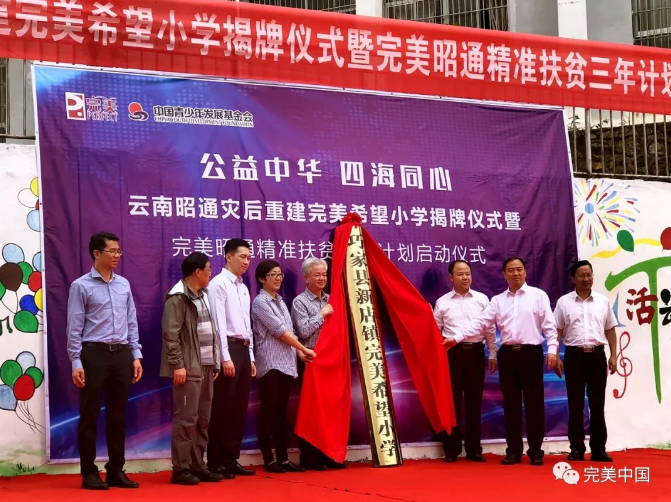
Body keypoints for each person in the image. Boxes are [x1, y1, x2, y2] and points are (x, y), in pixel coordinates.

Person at [444, 257, 558, 466]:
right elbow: (481, 323)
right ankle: (513, 451)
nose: (516, 273)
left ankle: (535, 451)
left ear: (525, 272)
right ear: (504, 275)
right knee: (510, 406)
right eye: (511, 270)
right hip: (508, 356)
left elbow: (550, 326)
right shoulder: (497, 301)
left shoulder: (538, 295)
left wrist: (552, 350)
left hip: (531, 354)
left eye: (519, 269)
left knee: (534, 405)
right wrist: (457, 338)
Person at [66, 232, 143, 490]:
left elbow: (132, 321)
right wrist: (76, 361)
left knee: (118, 416)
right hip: (93, 354)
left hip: (121, 354)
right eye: (112, 251)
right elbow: (74, 326)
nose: (117, 256)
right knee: (89, 415)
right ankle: (89, 472)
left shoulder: (124, 284)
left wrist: (136, 354)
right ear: (96, 253)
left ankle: (115, 471)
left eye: (119, 251)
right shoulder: (81, 286)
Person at [160, 252, 225, 485]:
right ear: (198, 272)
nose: (210, 273)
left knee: (202, 419)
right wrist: (178, 365)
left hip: (206, 366)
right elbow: (171, 335)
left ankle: (198, 465)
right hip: (188, 368)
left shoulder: (203, 295)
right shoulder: (177, 297)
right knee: (186, 419)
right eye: (208, 269)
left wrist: (215, 361)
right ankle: (181, 468)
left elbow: (212, 331)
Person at [252, 259, 317, 473]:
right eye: (273, 274)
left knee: (281, 413)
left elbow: (290, 331)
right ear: (262, 279)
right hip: (270, 364)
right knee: (268, 412)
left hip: (287, 364)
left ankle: (283, 458)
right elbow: (280, 331)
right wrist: (304, 348)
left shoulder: (280, 301)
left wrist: (299, 352)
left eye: (280, 274)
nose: (278, 278)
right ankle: (268, 460)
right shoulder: (260, 302)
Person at [553, 260, 617, 463]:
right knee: (575, 404)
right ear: (573, 278)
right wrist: (556, 355)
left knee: (598, 404)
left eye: (589, 274)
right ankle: (577, 449)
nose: (586, 279)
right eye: (581, 275)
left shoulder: (602, 301)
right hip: (574, 356)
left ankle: (598, 450)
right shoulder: (564, 302)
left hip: (597, 356)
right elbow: (557, 331)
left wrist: (614, 355)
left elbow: (610, 329)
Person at [434, 260, 497, 463]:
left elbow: (489, 328)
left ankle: (473, 449)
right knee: (451, 402)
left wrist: (493, 353)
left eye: (468, 273)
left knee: (474, 402)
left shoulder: (482, 299)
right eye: (460, 274)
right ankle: (451, 449)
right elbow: (435, 330)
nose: (465, 277)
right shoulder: (442, 302)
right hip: (451, 354)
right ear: (451, 277)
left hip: (475, 353)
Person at [207, 239, 256, 478]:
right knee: (222, 408)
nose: (246, 262)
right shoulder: (218, 284)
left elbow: (247, 325)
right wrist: (224, 358)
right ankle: (215, 461)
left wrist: (251, 355)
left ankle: (231, 458)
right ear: (228, 256)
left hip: (244, 349)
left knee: (238, 409)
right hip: (228, 349)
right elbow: (217, 324)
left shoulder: (243, 287)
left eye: (248, 257)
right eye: (242, 257)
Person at [291, 258, 345, 471]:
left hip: (332, 362)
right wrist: (322, 314)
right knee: (311, 411)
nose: (322, 278)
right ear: (306, 277)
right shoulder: (300, 302)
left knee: (331, 410)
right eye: (317, 275)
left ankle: (329, 453)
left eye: (324, 274)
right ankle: (310, 457)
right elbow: (303, 331)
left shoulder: (332, 299)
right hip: (311, 360)